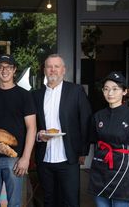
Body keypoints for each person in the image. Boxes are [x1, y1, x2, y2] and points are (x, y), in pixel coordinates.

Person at [32, 54, 92, 207]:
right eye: (49, 67)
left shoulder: (76, 91)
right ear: (44, 70)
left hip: (69, 158)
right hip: (44, 159)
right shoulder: (36, 96)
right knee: (48, 200)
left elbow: (85, 121)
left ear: (63, 70)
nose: (53, 70)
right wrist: (39, 136)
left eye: (56, 66)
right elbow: (32, 126)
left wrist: (83, 152)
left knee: (70, 201)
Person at [0, 54, 37, 206]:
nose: (5, 70)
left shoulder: (25, 96)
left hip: (15, 157)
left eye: (9, 67)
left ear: (14, 70)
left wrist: (25, 158)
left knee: (15, 203)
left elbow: (32, 128)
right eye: (1, 67)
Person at [88, 72, 129, 207]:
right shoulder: (98, 116)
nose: (110, 93)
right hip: (100, 169)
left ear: (124, 91)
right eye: (106, 89)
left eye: (115, 89)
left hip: (123, 169)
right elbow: (95, 141)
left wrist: (119, 153)